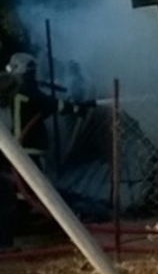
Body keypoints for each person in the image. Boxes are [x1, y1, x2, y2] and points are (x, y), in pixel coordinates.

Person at [0, 52, 96, 249]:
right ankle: (57, 219)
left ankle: (23, 224)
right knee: (32, 190)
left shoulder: (20, 91)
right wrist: (77, 108)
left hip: (20, 149)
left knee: (23, 190)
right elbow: (53, 105)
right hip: (28, 149)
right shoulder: (27, 90)